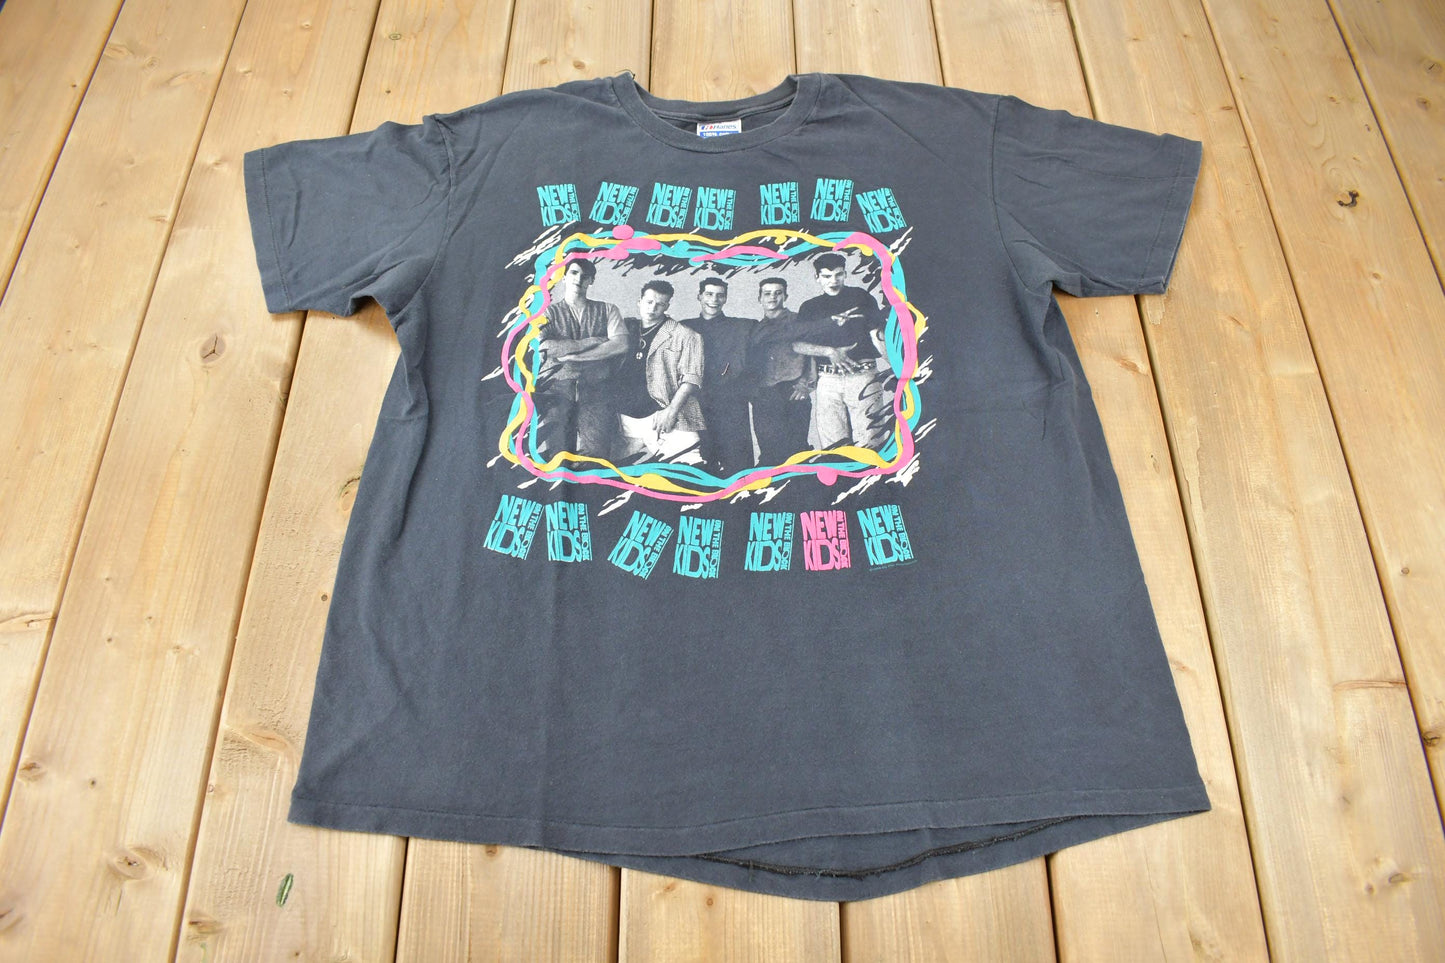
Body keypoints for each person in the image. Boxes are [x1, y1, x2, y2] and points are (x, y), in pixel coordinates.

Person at [791, 253, 892, 450]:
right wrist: (829, 352)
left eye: (838, 275)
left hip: (863, 376)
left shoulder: (861, 297)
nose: (833, 281)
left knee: (870, 442)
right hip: (827, 381)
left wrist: (899, 369)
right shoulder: (810, 307)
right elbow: (797, 345)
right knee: (833, 447)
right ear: (817, 277)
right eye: (827, 276)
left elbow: (878, 336)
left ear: (845, 274)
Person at [534, 259, 627, 458]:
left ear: (591, 280)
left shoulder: (608, 309)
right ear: (564, 277)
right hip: (556, 389)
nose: (579, 279)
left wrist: (574, 356)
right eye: (574, 273)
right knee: (557, 453)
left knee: (596, 453)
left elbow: (620, 344)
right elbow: (543, 346)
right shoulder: (548, 312)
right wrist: (589, 342)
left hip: (596, 388)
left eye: (585, 276)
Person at [609, 280, 706, 464]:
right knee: (619, 471)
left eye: (660, 304)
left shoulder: (686, 335)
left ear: (667, 306)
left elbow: (691, 379)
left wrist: (671, 411)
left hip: (662, 412)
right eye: (649, 302)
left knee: (689, 467)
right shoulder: (625, 329)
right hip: (624, 417)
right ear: (639, 302)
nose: (652, 308)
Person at [680, 277, 756, 474]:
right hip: (695, 402)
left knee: (737, 464)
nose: (714, 300)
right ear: (699, 296)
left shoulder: (742, 326)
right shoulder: (684, 327)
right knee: (700, 461)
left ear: (726, 299)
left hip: (730, 404)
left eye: (720, 295)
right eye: (709, 294)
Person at [747, 277, 815, 464]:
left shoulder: (799, 321)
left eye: (778, 293)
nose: (772, 297)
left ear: (785, 296)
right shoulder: (755, 329)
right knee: (769, 451)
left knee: (797, 452)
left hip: (793, 391)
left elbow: (813, 354)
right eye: (767, 293)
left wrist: (806, 384)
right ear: (759, 298)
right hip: (765, 394)